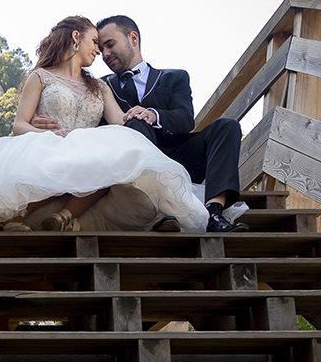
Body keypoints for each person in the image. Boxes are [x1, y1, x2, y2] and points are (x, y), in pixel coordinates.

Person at [0, 16, 209, 235]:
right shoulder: (40, 77)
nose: (99, 51)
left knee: (103, 162)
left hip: (84, 150)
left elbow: (120, 122)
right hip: (48, 144)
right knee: (62, 159)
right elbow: (19, 125)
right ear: (76, 38)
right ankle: (17, 214)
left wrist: (143, 113)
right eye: (94, 42)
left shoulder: (100, 86)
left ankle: (63, 216)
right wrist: (44, 132)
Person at [33, 15, 246, 232]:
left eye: (110, 45)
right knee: (135, 124)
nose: (104, 54)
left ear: (133, 38)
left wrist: (153, 114)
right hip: (132, 172)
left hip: (178, 158)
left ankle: (214, 213)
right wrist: (40, 119)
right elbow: (82, 118)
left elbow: (185, 119)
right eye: (101, 48)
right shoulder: (99, 86)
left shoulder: (175, 77)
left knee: (227, 126)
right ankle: (153, 211)